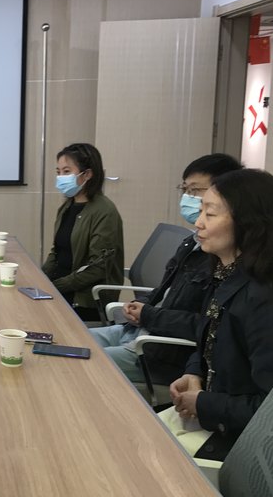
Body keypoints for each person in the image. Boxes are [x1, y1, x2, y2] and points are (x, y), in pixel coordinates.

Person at [167, 169, 273, 459]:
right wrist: (194, 372)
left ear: (248, 224)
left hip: (240, 447)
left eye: (210, 214)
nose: (198, 222)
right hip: (213, 421)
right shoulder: (226, 275)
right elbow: (209, 338)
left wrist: (203, 403)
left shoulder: (271, 303)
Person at [91, 153, 243, 382]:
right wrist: (141, 306)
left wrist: (149, 315)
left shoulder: (225, 261)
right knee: (70, 341)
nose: (188, 197)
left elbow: (207, 327)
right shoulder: (192, 242)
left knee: (80, 363)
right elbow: (165, 291)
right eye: (185, 190)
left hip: (159, 352)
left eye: (195, 190)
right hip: (139, 332)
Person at [42, 143, 124, 321]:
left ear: (87, 174)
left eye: (66, 171)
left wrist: (55, 286)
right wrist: (40, 277)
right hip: (63, 285)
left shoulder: (105, 211)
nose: (60, 177)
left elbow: (98, 268)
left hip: (84, 298)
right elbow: (57, 252)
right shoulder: (67, 206)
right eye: (58, 172)